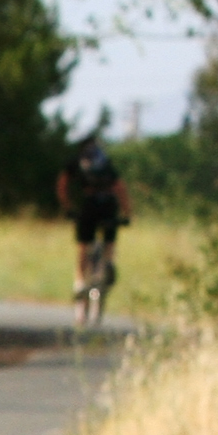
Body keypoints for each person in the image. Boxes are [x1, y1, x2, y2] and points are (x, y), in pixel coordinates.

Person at [58, 137, 130, 323]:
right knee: (109, 243)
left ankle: (80, 283)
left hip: (88, 207)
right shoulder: (106, 164)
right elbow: (120, 188)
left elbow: (62, 185)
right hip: (108, 208)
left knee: (84, 246)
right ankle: (107, 264)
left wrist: (67, 207)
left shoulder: (77, 162)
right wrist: (127, 214)